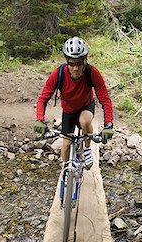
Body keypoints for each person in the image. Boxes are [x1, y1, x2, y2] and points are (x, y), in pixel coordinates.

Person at [34, 36, 114, 169]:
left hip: (85, 106)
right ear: (66, 61)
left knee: (84, 121)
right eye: (71, 64)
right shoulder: (59, 74)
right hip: (69, 111)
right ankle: (67, 170)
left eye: (79, 63)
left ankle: (87, 149)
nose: (75, 68)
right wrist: (39, 119)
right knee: (65, 146)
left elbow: (105, 99)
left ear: (85, 61)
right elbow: (43, 98)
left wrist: (108, 125)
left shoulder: (92, 73)